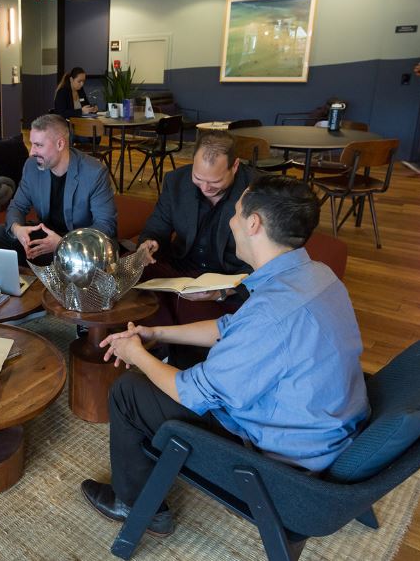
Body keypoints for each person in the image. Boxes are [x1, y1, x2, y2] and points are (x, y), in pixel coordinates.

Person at [81, 174, 369, 537]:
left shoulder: (271, 316)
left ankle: (133, 504)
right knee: (180, 355)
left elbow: (192, 393)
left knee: (127, 391)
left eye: (235, 213)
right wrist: (155, 333)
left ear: (253, 223)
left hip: (287, 468)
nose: (231, 222)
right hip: (327, 425)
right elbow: (230, 327)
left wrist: (135, 353)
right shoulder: (316, 275)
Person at [135, 131, 257, 367]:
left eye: (215, 182)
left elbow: (271, 261)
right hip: (182, 268)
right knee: (132, 263)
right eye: (198, 178)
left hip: (228, 279)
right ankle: (167, 347)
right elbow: (156, 226)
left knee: (242, 310)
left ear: (235, 166)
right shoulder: (177, 181)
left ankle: (171, 348)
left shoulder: (256, 190)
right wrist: (150, 243)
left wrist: (225, 291)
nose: (205, 187)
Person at [0, 113, 117, 265]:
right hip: (48, 237)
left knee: (93, 258)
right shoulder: (32, 166)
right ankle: (42, 272)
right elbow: (17, 206)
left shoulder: (94, 172)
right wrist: (18, 230)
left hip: (80, 244)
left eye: (39, 145)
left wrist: (65, 244)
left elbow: (105, 225)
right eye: (32, 144)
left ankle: (51, 267)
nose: (32, 152)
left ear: (60, 144)